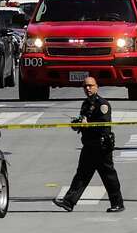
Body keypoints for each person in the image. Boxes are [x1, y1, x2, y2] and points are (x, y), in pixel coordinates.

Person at [53, 75, 124, 213]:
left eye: (90, 86)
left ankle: (118, 203)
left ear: (96, 87)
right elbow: (83, 123)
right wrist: (77, 125)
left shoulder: (102, 105)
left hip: (101, 146)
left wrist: (88, 125)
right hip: (89, 145)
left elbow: (104, 127)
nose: (87, 88)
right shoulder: (86, 104)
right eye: (85, 86)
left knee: (108, 176)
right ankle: (69, 202)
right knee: (82, 174)